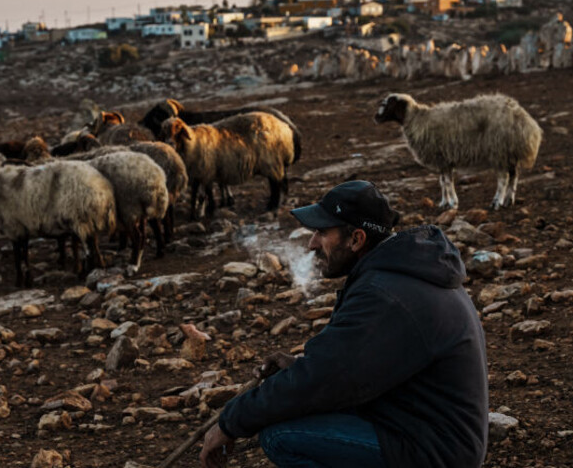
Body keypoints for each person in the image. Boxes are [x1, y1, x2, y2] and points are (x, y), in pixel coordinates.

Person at [199, 180, 489, 468]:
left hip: (436, 451)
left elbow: (322, 379)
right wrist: (299, 365)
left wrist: (230, 423)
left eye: (322, 232)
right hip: (423, 429)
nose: (312, 243)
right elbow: (347, 366)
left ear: (357, 239)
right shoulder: (400, 273)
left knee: (283, 435)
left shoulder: (385, 293)